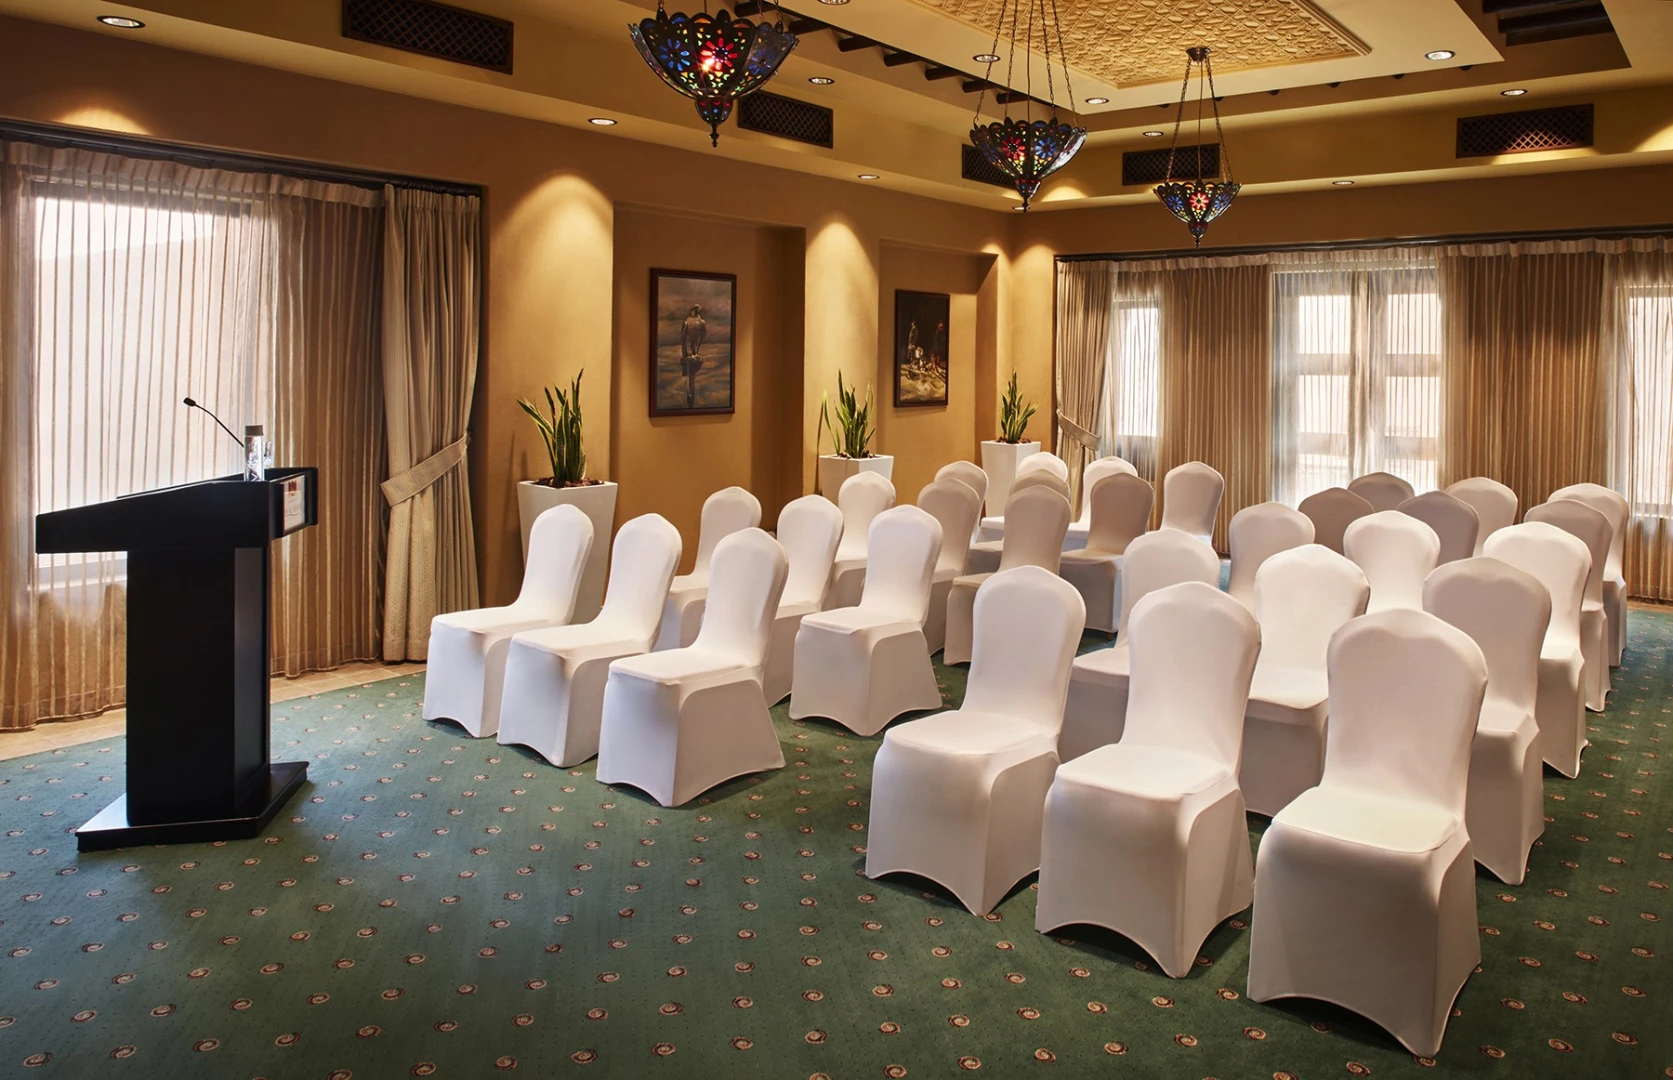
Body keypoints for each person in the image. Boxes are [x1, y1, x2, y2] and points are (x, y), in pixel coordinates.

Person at [679, 304, 707, 408]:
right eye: (693, 310)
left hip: (695, 348)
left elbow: (702, 336)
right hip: (687, 351)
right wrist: (686, 354)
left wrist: (696, 352)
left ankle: (694, 354)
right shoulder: (687, 323)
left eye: (696, 310)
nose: (694, 312)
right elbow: (683, 339)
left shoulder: (702, 323)